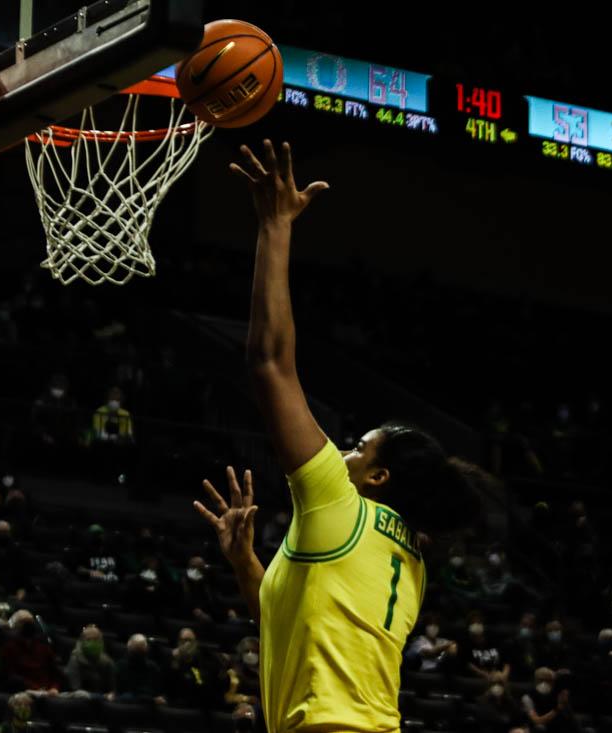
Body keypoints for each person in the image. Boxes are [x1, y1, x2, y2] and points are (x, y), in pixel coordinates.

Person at [195, 139, 481, 733]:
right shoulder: (408, 560)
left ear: (378, 477)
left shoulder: (338, 503)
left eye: (359, 448)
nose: (342, 451)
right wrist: (247, 563)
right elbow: (288, 619)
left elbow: (269, 362)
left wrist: (275, 226)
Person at [0, 610, 60, 695]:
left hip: (50, 691)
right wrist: (38, 689)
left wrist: (54, 688)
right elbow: (10, 675)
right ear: (16, 625)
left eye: (30, 621)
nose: (28, 625)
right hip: (26, 692)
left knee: (82, 694)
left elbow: (54, 671)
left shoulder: (43, 645)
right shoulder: (10, 646)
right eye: (24, 622)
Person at [167, 627, 221, 709]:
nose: (187, 644)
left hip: (199, 701)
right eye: (184, 640)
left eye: (190, 640)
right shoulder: (173, 658)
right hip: (178, 700)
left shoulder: (204, 657)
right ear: (179, 642)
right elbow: (170, 683)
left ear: (195, 642)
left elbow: (203, 682)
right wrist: (175, 661)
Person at [63, 624, 116, 699]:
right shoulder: (75, 660)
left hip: (103, 701)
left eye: (96, 640)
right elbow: (75, 689)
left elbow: (112, 688)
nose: (93, 642)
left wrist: (111, 695)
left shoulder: (107, 662)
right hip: (80, 701)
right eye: (89, 640)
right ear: (82, 642)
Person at [520, 667, 578, 733]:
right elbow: (536, 721)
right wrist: (558, 708)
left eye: (551, 681)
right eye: (546, 680)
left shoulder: (557, 695)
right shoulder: (528, 697)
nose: (550, 684)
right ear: (538, 681)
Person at [114, 634, 165, 705]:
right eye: (135, 652)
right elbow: (117, 695)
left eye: (140, 652)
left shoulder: (153, 668)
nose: (137, 655)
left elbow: (158, 694)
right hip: (126, 707)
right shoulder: (120, 666)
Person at [223, 637, 260, 708]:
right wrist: (246, 699)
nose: (250, 654)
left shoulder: (264, 672)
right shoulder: (234, 672)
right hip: (242, 707)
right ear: (241, 653)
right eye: (247, 651)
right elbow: (228, 697)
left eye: (254, 651)